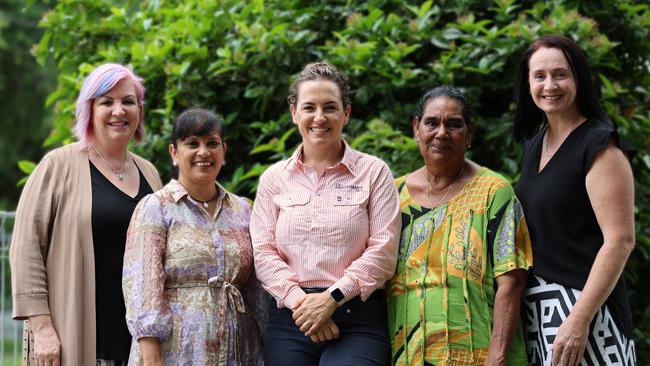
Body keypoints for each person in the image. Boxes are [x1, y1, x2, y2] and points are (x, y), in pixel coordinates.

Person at [9, 63, 163, 366]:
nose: (118, 110)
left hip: (137, 345)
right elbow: (26, 249)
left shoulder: (151, 174)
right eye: (106, 102)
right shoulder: (58, 166)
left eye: (128, 101)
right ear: (89, 111)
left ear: (140, 111)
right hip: (73, 337)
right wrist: (42, 330)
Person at [250, 62, 400, 365]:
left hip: (357, 317)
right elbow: (263, 253)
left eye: (330, 107)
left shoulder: (374, 173)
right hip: (292, 318)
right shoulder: (273, 179)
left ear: (346, 113)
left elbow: (384, 252)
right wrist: (303, 306)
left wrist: (331, 299)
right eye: (309, 107)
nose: (319, 117)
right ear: (294, 113)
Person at [387, 86, 533, 365]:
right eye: (431, 123)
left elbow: (512, 282)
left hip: (479, 356)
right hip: (408, 356)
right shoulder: (393, 196)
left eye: (453, 124)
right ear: (416, 128)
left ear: (469, 134)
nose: (441, 133)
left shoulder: (493, 192)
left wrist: (498, 356)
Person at [514, 35, 636, 365]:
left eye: (560, 74)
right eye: (539, 76)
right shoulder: (534, 144)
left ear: (578, 79)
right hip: (539, 312)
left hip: (587, 313)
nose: (549, 85)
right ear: (528, 83)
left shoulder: (599, 145)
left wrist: (579, 320)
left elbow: (620, 240)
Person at [122, 108, 265, 365]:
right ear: (174, 153)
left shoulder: (243, 210)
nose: (203, 152)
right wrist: (150, 353)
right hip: (176, 353)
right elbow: (143, 286)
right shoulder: (157, 207)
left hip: (238, 349)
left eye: (212, 143)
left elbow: (256, 289)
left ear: (224, 151)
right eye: (192, 144)